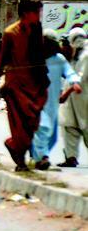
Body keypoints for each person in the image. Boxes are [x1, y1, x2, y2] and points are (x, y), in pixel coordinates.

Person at [0, 0, 48, 171]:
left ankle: (13, 145)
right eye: (36, 12)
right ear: (25, 14)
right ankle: (21, 161)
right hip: (15, 85)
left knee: (33, 122)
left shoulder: (37, 31)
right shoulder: (10, 32)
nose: (39, 16)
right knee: (19, 125)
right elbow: (1, 61)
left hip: (35, 85)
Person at [30, 30, 81, 170]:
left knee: (52, 136)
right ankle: (43, 157)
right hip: (36, 100)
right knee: (43, 127)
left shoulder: (59, 59)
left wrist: (75, 83)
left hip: (52, 102)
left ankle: (38, 156)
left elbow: (69, 72)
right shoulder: (34, 58)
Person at [59, 27, 87, 168]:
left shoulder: (86, 55)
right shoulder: (75, 55)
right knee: (68, 125)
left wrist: (66, 93)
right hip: (72, 99)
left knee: (86, 126)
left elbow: (80, 79)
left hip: (83, 98)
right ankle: (71, 157)